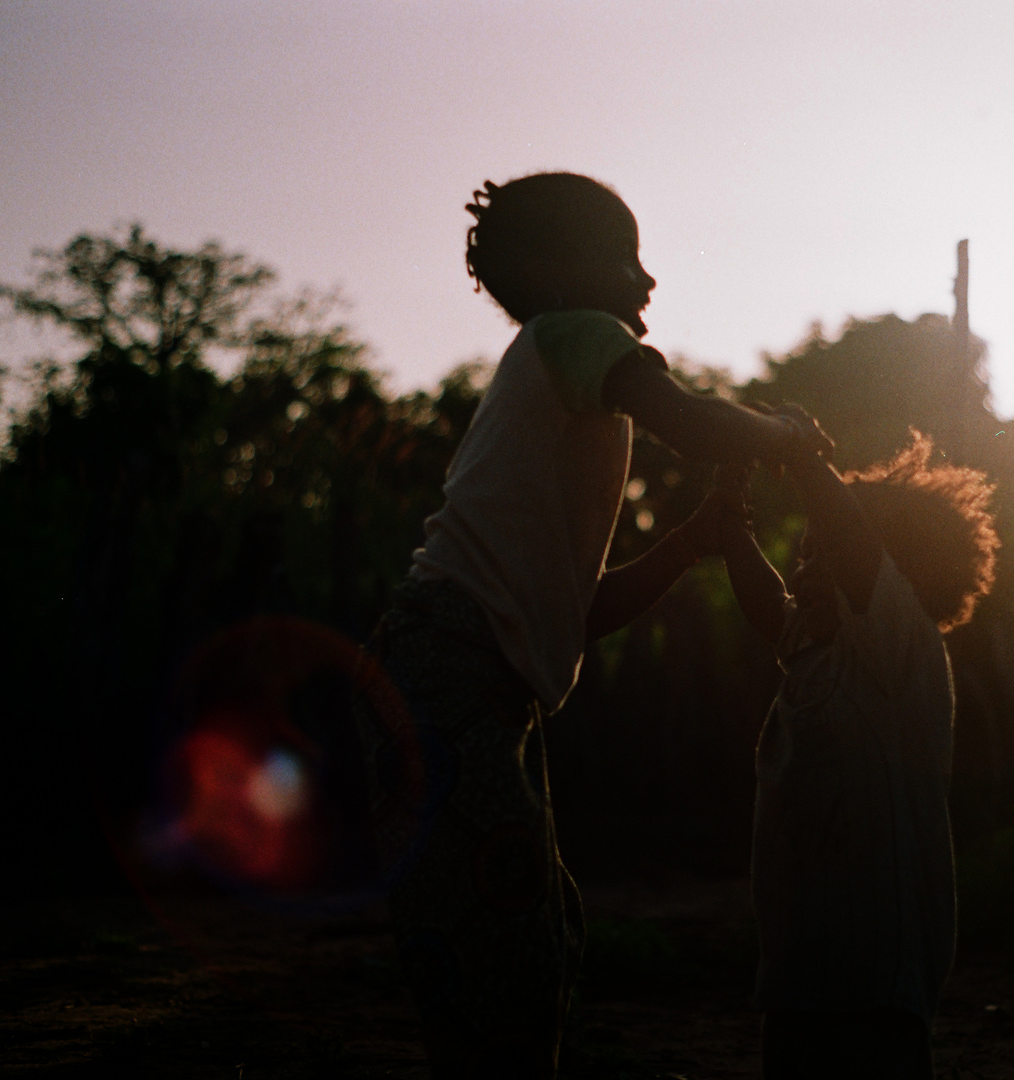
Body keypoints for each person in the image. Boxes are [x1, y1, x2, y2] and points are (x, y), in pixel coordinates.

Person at [358, 172, 830, 1080]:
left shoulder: (556, 385)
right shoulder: (572, 334)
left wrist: (689, 543)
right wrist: (777, 433)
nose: (647, 280)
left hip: (465, 686)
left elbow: (579, 614)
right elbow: (691, 425)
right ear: (552, 271)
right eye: (624, 256)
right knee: (503, 938)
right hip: (446, 674)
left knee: (526, 930)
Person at [717, 428, 998, 1080]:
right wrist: (729, 517)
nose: (802, 569)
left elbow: (847, 533)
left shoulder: (898, 646)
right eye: (802, 556)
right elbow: (764, 601)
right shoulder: (814, 650)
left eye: (820, 557)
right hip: (798, 960)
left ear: (889, 572)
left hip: (877, 966)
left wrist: (799, 453)